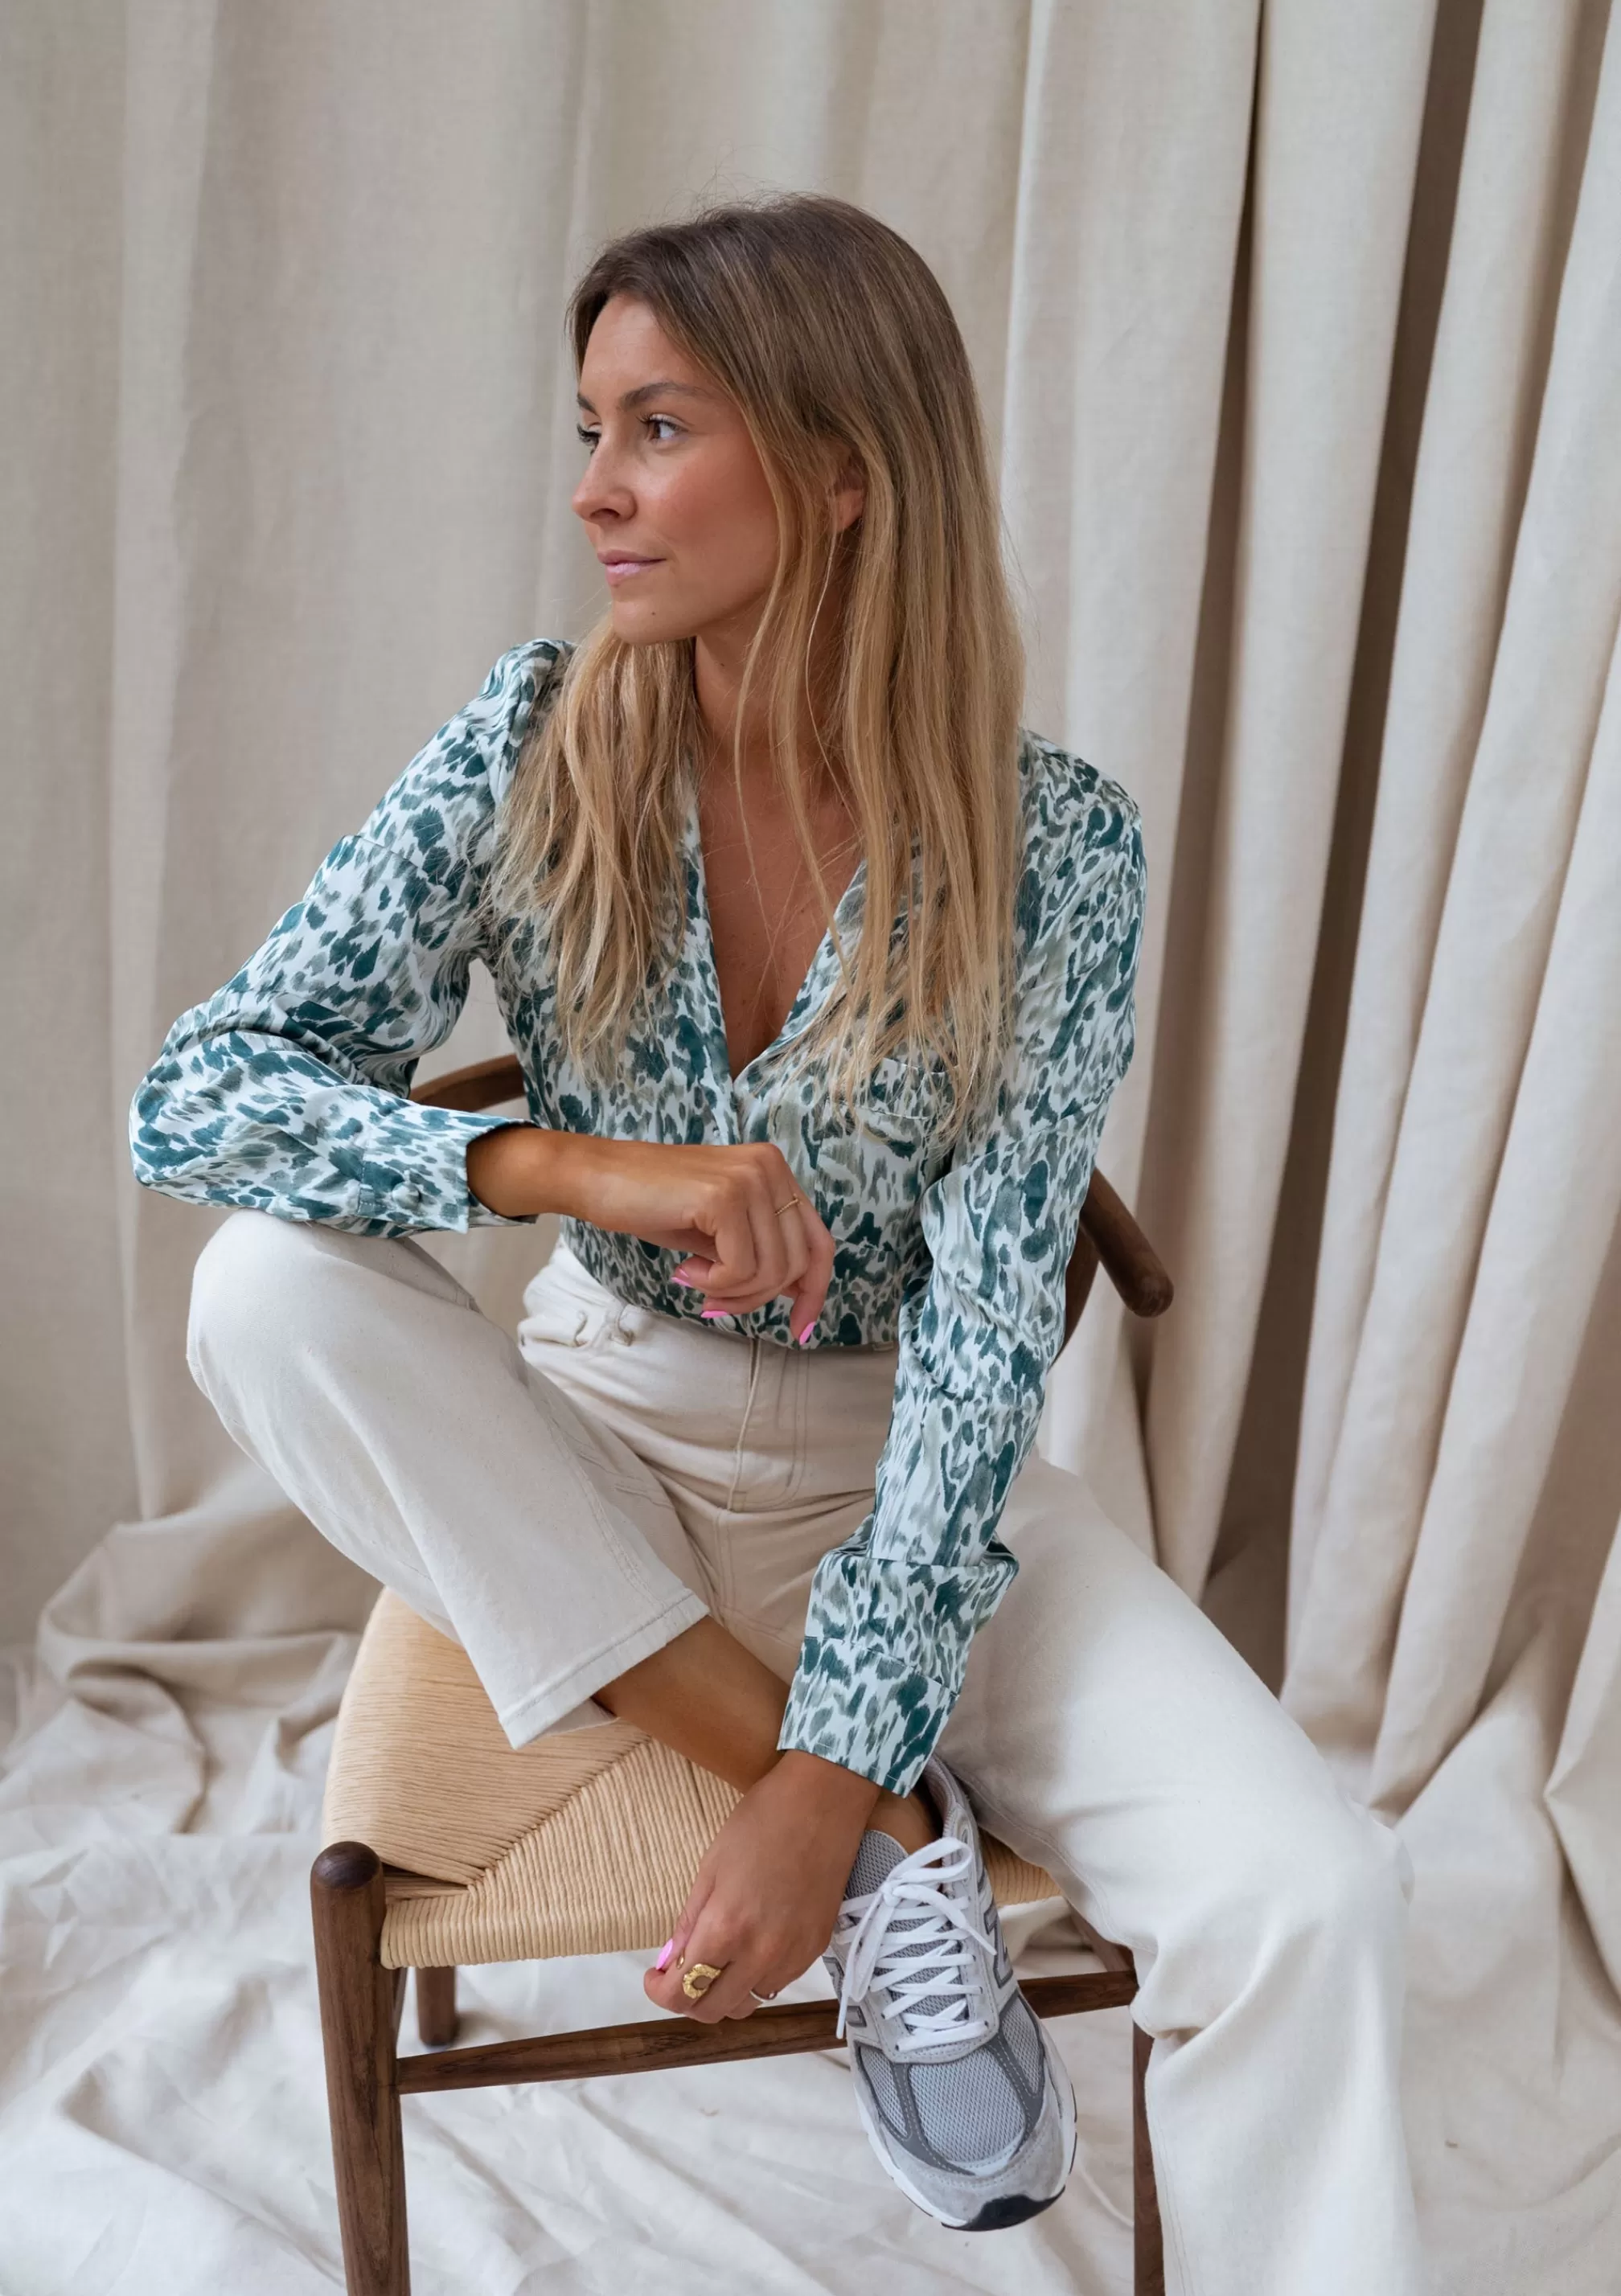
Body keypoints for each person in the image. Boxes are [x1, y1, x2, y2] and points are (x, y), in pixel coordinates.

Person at [130, 192, 1424, 2284]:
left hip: (911, 1483)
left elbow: (992, 1335)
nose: (594, 491)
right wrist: (571, 1171)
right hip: (586, 1454)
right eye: (592, 429)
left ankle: (859, 1810)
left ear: (839, 470)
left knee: (1318, 1901)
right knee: (260, 1286)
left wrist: (834, 1757)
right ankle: (911, 1850)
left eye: (658, 430)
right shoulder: (535, 740)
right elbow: (195, 1095)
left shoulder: (1057, 849)